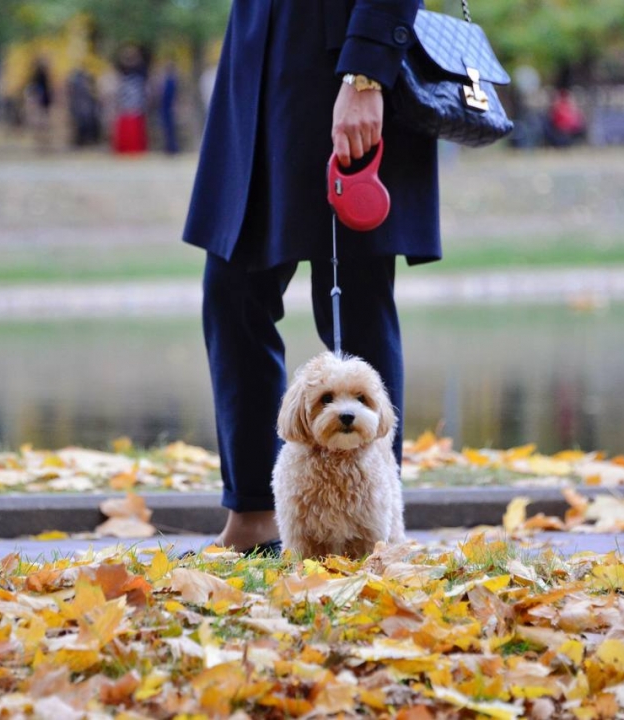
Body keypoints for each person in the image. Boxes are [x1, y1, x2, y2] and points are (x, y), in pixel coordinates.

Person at [182, 0, 441, 553]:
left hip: (344, 60)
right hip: (257, 57)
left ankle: (377, 526)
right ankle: (254, 513)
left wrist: (368, 71)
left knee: (356, 302)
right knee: (231, 290)